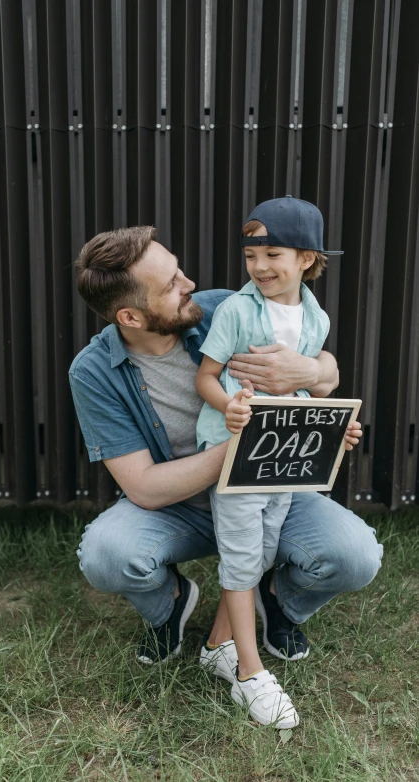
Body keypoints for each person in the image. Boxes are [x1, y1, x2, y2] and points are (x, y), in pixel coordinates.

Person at [69, 224, 382, 719]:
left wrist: (311, 382)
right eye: (171, 284)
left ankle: (275, 600)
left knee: (355, 555)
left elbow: (326, 364)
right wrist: (247, 443)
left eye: (178, 270)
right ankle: (170, 606)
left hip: (269, 487)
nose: (189, 283)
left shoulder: (223, 308)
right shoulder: (93, 371)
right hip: (180, 507)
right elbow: (145, 489)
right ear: (130, 315)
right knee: (107, 556)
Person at [194, 196, 343, 727]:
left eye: (272, 254)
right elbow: (206, 377)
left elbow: (306, 395)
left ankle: (217, 644)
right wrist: (229, 405)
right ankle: (250, 673)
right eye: (250, 256)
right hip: (239, 456)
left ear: (306, 258)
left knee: (259, 552)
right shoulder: (237, 310)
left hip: (283, 460)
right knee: (240, 557)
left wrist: (332, 429)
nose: (259, 267)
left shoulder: (315, 317)